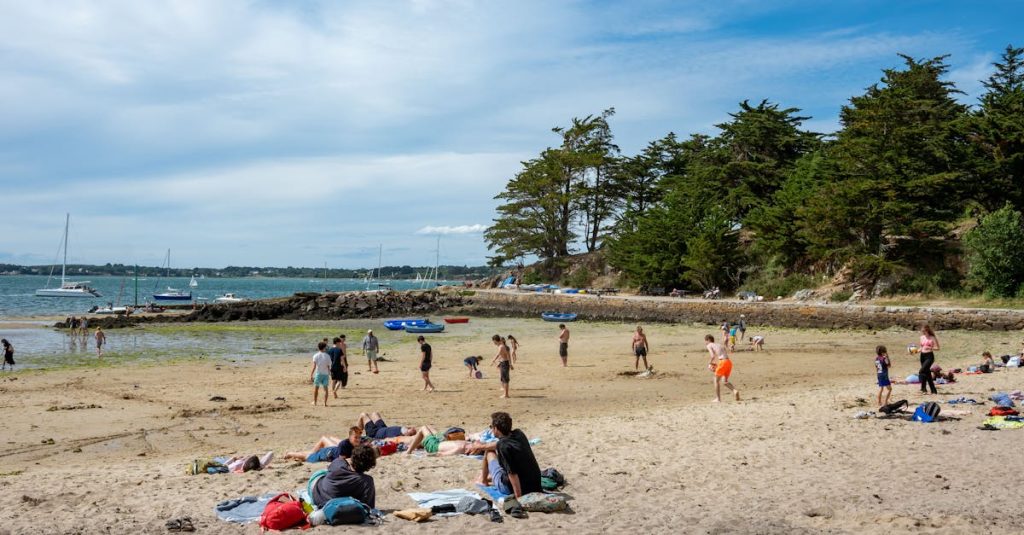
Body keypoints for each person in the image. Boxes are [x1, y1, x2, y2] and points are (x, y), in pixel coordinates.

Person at [477, 412, 542, 499]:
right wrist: (481, 446)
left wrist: (519, 497)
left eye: (491, 427)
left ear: (496, 428)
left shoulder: (503, 446)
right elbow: (497, 444)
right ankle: (489, 478)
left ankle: (483, 481)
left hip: (510, 487)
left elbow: (512, 474)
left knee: (489, 452)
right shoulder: (519, 434)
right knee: (489, 450)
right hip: (535, 485)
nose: (491, 429)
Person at [311, 445, 377, 509]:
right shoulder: (366, 481)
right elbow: (368, 507)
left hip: (316, 493)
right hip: (329, 506)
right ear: (370, 465)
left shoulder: (338, 462)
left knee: (325, 472)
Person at [284, 427, 363, 463]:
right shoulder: (344, 444)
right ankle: (290, 454)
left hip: (333, 449)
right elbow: (340, 462)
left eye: (359, 438)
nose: (358, 440)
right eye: (355, 437)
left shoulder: (356, 443)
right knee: (307, 456)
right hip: (327, 454)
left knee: (311, 453)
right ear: (349, 437)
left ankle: (309, 452)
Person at [705, 334, 740, 402]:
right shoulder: (719, 344)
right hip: (728, 362)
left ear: (708, 340)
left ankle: (718, 399)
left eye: (706, 341)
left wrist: (709, 364)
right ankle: (735, 391)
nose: (705, 343)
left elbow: (712, 356)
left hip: (723, 362)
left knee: (716, 380)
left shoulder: (709, 345)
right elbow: (723, 354)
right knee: (724, 381)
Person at [918, 324, 940, 395]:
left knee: (922, 371)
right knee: (927, 373)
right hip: (922, 356)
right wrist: (915, 351)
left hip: (929, 356)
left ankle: (923, 388)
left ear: (927, 330)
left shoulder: (932, 337)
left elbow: (938, 348)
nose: (923, 332)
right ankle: (931, 390)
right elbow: (921, 347)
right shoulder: (921, 337)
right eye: (922, 331)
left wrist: (930, 348)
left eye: (924, 331)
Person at [309, 341, 331, 406]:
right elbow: (328, 366)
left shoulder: (315, 355)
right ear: (324, 348)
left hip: (318, 373)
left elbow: (314, 366)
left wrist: (311, 374)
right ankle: (325, 403)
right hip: (326, 374)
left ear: (318, 348)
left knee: (316, 388)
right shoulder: (327, 356)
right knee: (325, 389)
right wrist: (330, 373)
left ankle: (315, 402)